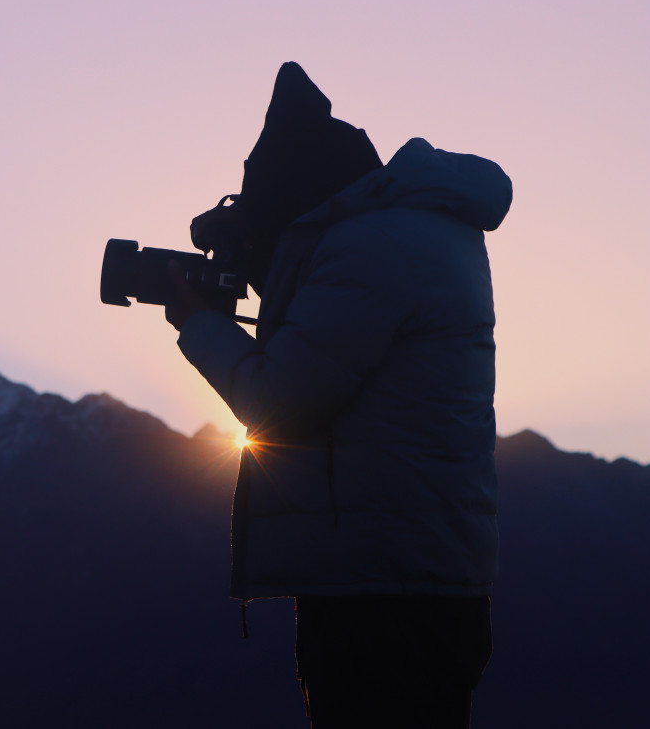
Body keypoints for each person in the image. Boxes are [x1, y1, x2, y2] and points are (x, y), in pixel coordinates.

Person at [165, 63, 511, 728]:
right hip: (410, 576)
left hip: (386, 594)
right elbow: (337, 343)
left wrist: (199, 322)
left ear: (298, 193)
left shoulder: (372, 246)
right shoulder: (406, 232)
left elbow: (281, 400)